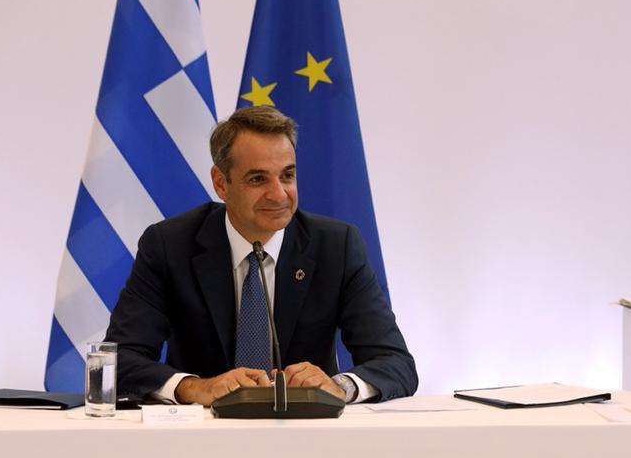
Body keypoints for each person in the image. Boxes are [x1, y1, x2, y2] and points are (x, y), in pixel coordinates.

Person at [106, 106, 417, 405]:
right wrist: (195, 387)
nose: (279, 194)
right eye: (258, 179)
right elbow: (117, 362)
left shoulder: (336, 246)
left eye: (287, 176)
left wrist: (339, 387)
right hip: (204, 432)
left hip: (307, 432)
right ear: (221, 183)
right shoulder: (169, 245)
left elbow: (396, 363)